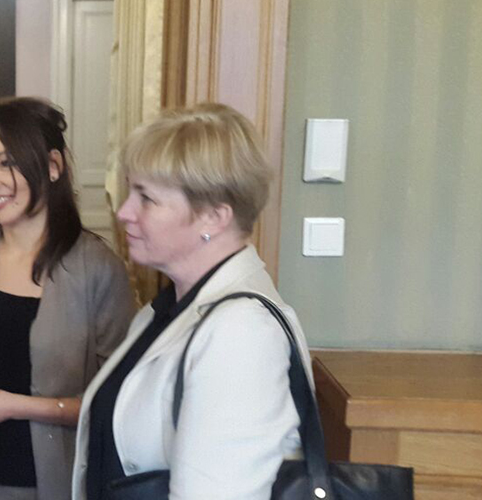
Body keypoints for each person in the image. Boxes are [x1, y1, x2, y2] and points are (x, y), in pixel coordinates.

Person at [72, 103, 314, 499]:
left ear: (213, 217)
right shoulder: (168, 309)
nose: (125, 212)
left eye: (146, 198)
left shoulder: (242, 334)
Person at [0, 97, 135, 500]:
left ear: (53, 166)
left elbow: (117, 401)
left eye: (5, 163)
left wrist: (16, 406)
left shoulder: (98, 270)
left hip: (49, 484)